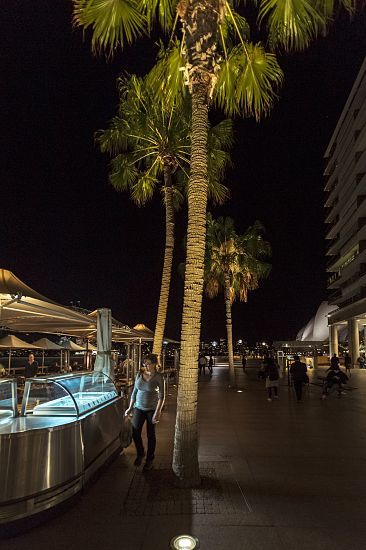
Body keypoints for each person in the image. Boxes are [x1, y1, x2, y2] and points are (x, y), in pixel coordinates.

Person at [125, 353, 165, 471]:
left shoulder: (158, 377)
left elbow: (161, 397)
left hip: (151, 410)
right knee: (135, 432)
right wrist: (130, 407)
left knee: (150, 435)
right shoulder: (139, 374)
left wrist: (157, 412)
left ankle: (149, 460)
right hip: (138, 408)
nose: (146, 366)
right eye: (144, 364)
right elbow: (134, 392)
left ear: (154, 364)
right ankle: (141, 453)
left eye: (148, 364)